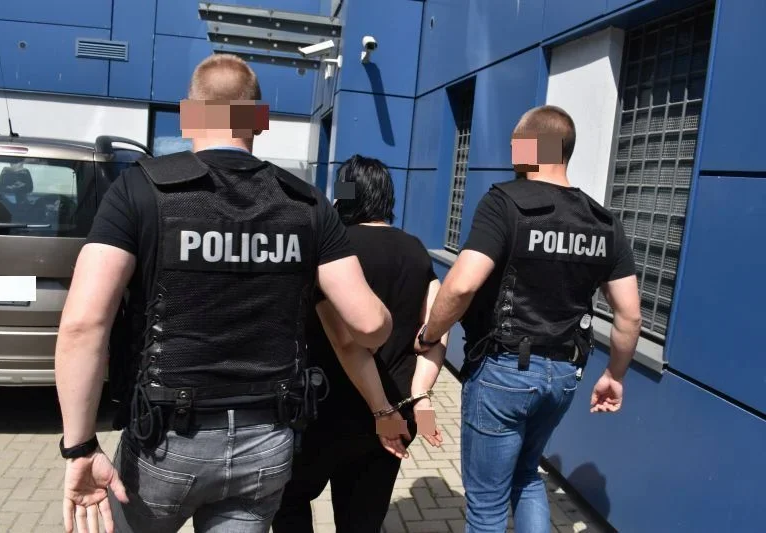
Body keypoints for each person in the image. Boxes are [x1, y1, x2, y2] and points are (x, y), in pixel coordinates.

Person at [54, 54, 396, 533]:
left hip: (166, 442)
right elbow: (370, 324)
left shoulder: (139, 189)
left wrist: (80, 447)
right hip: (267, 442)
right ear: (258, 120)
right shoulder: (307, 204)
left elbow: (83, 325)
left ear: (190, 114)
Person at [414, 105, 642, 532]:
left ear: (530, 149)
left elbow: (461, 286)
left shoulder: (504, 202)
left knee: (486, 505)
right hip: (563, 377)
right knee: (526, 476)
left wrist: (430, 335)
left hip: (504, 373)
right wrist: (615, 374)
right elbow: (630, 315)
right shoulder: (604, 222)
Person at [272, 155, 448, 533]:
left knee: (288, 501)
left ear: (345, 196)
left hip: (326, 411)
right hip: (393, 416)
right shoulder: (416, 250)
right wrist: (421, 397)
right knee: (362, 522)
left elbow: (346, 342)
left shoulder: (331, 249)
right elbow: (437, 327)